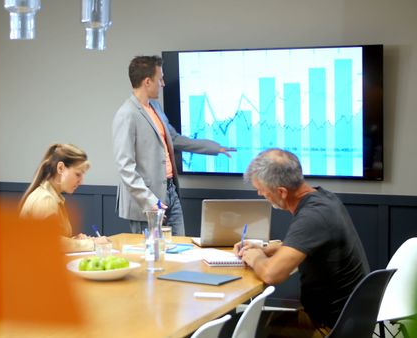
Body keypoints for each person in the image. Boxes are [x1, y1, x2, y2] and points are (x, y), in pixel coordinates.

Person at [235, 148, 370, 337]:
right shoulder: (325, 199)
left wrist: (256, 257)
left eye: (263, 191)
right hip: (350, 319)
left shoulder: (312, 217)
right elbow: (306, 246)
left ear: (281, 192)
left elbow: (272, 274)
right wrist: (265, 248)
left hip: (329, 327)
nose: (259, 194)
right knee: (246, 322)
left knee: (239, 329)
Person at [112, 55, 235, 236]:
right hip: (147, 202)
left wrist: (213, 148)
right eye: (159, 78)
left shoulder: (155, 108)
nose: (162, 83)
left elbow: (175, 139)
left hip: (170, 191)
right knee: (153, 257)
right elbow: (125, 167)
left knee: (180, 248)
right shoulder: (127, 114)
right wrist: (150, 201)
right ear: (147, 82)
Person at [20, 143, 109, 253]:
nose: (81, 181)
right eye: (78, 174)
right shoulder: (45, 200)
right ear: (61, 168)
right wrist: (92, 243)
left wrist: (72, 241)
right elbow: (50, 243)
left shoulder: (51, 197)